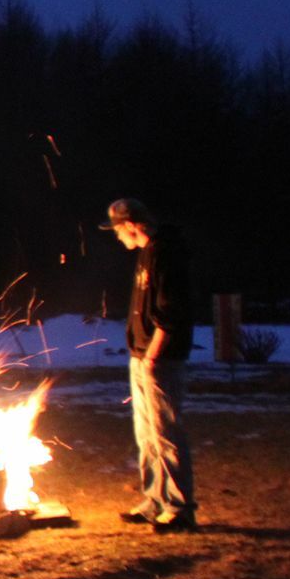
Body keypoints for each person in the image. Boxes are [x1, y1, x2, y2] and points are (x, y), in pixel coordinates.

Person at [103, 198, 197, 532]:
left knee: (166, 433)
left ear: (130, 224)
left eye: (117, 230)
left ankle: (179, 507)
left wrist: (154, 356)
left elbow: (171, 312)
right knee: (147, 434)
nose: (117, 237)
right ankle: (155, 500)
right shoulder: (146, 252)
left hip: (161, 358)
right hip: (142, 355)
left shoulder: (166, 252)